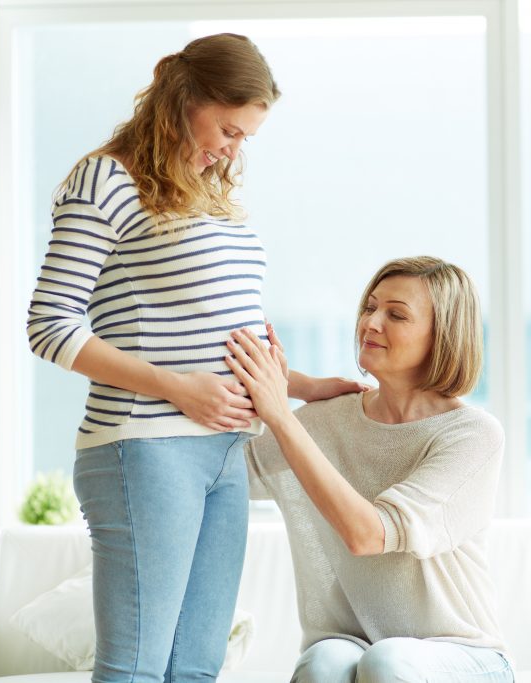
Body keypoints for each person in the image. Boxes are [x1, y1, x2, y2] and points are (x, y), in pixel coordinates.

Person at [26, 33, 362, 682]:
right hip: (146, 446)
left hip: (225, 451)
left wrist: (300, 385)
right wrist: (176, 387)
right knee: (137, 667)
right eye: (229, 129)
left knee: (197, 668)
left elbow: (208, 334)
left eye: (246, 139)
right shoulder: (106, 179)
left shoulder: (208, 192)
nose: (233, 150)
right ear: (183, 99)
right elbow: (49, 324)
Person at [225, 256, 515, 683]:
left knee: (388, 662)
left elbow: (369, 534)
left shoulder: (471, 435)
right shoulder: (324, 420)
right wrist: (290, 386)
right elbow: (219, 472)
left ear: (443, 336)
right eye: (370, 307)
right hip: (354, 646)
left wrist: (282, 416)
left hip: (464, 656)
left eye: (396, 314)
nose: (371, 322)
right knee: (323, 664)